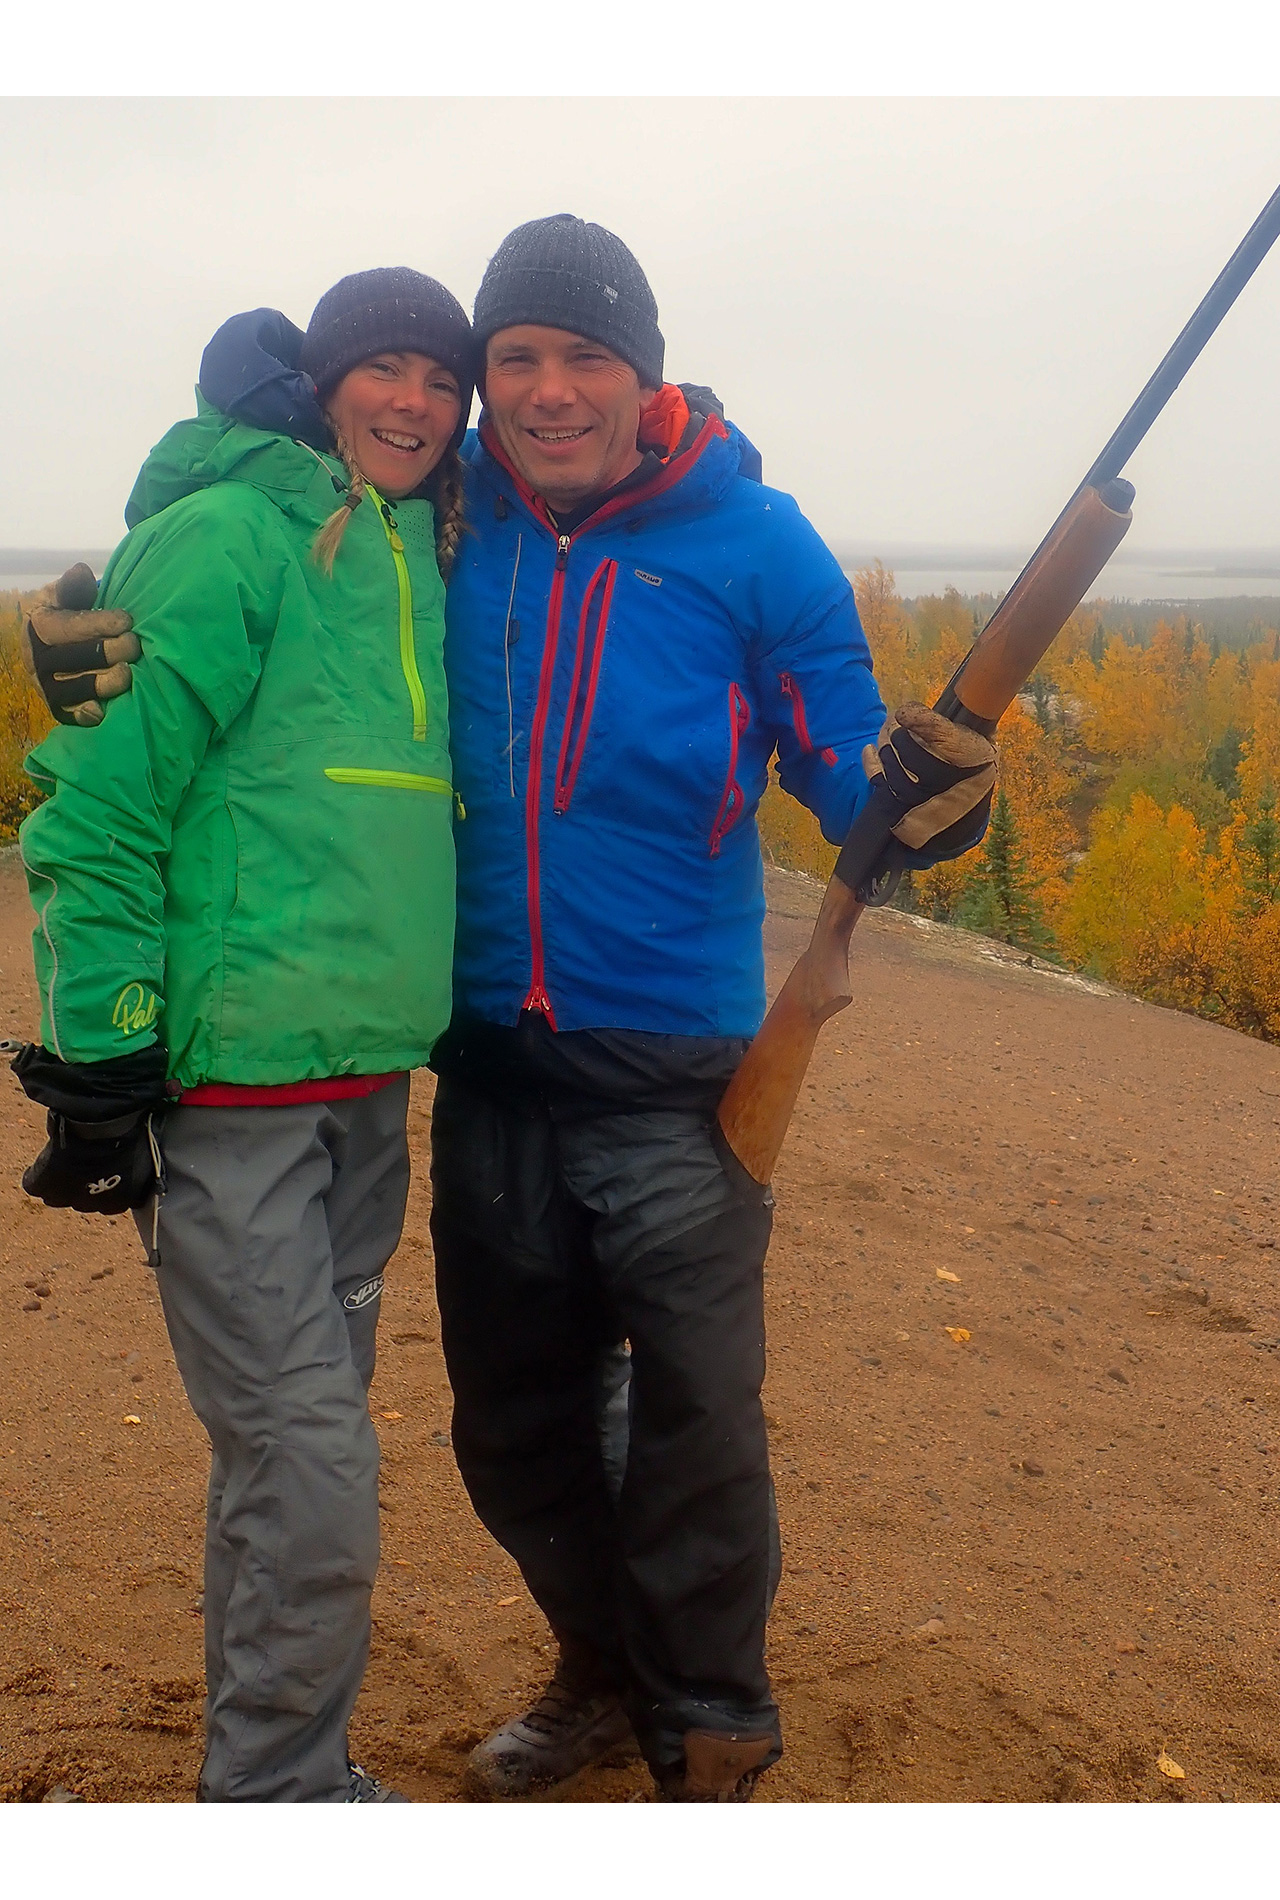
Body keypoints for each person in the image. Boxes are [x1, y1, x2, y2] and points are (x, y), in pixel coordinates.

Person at [24, 216, 993, 1804]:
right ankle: (600, 1673)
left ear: (644, 375)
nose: (545, 390)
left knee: (692, 1423)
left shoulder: (758, 543)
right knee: (517, 1428)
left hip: (679, 1071)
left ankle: (710, 1720)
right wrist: (124, 587)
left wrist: (925, 795)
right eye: (515, 360)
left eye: (583, 358)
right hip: (480, 1063)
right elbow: (244, 548)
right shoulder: (446, 517)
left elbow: (848, 770)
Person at [13, 267, 473, 1802]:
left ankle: (282, 1774)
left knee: (291, 1461)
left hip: (364, 1102)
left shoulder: (419, 546)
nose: (415, 401)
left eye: (442, 379)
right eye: (384, 368)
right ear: (320, 385)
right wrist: (99, 1056)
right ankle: (279, 1804)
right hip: (232, 1105)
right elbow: (96, 806)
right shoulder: (231, 533)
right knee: (313, 1464)